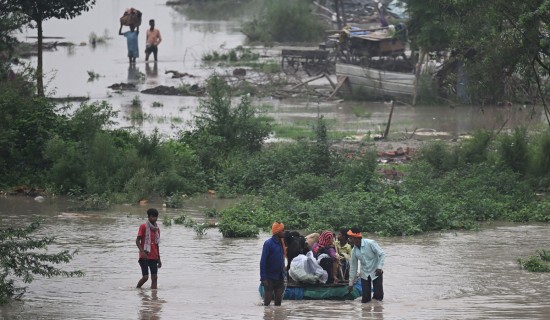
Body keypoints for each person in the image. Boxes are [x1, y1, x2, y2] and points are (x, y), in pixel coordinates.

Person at [347, 227, 385, 303]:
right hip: (364, 273)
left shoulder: (370, 243)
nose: (348, 240)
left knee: (378, 297)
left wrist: (379, 267)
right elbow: (353, 267)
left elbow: (382, 254)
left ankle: (378, 312)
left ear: (356, 238)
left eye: (350, 238)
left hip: (376, 272)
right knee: (365, 299)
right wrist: (350, 283)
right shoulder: (354, 251)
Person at [260, 221, 286, 306]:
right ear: (278, 232)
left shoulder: (281, 243)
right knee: (267, 304)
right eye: (283, 230)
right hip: (269, 277)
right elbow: (263, 262)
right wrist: (263, 278)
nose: (284, 232)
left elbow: (282, 259)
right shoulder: (268, 244)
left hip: (279, 276)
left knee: (278, 304)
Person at [136, 208, 162, 289]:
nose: (155, 219)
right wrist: (142, 251)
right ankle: (137, 290)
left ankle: (154, 297)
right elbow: (137, 241)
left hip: (154, 256)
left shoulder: (157, 229)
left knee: (154, 277)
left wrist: (159, 258)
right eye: (153, 217)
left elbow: (157, 245)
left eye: (156, 217)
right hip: (144, 256)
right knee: (145, 277)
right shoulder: (143, 227)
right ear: (149, 217)